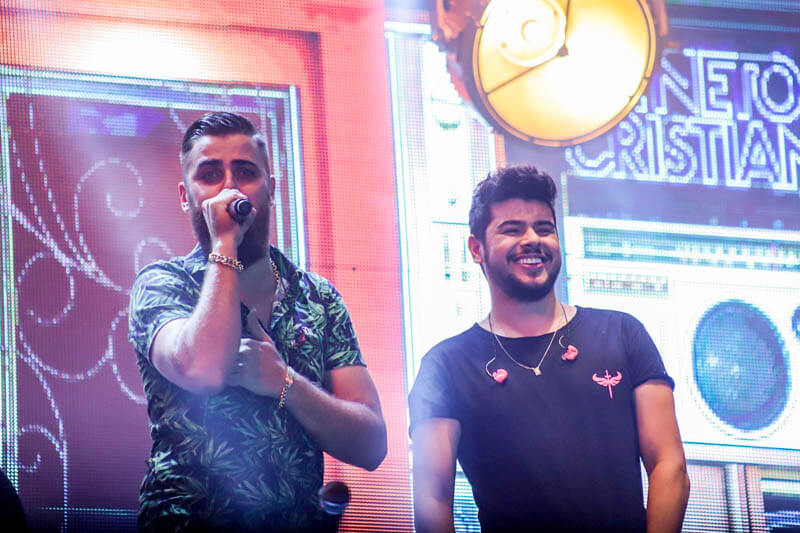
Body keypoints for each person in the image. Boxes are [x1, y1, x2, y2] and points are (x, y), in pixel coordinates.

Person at [128, 112, 387, 532]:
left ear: (271, 188)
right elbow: (203, 369)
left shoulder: (318, 298)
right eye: (210, 174)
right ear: (185, 196)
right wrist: (225, 243)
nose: (230, 188)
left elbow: (371, 445)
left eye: (246, 172)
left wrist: (285, 383)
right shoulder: (163, 284)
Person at [408, 165, 690, 532]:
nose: (532, 240)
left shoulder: (622, 332)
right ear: (476, 248)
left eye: (544, 229)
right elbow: (432, 497)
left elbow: (669, 465)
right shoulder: (446, 365)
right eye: (512, 229)